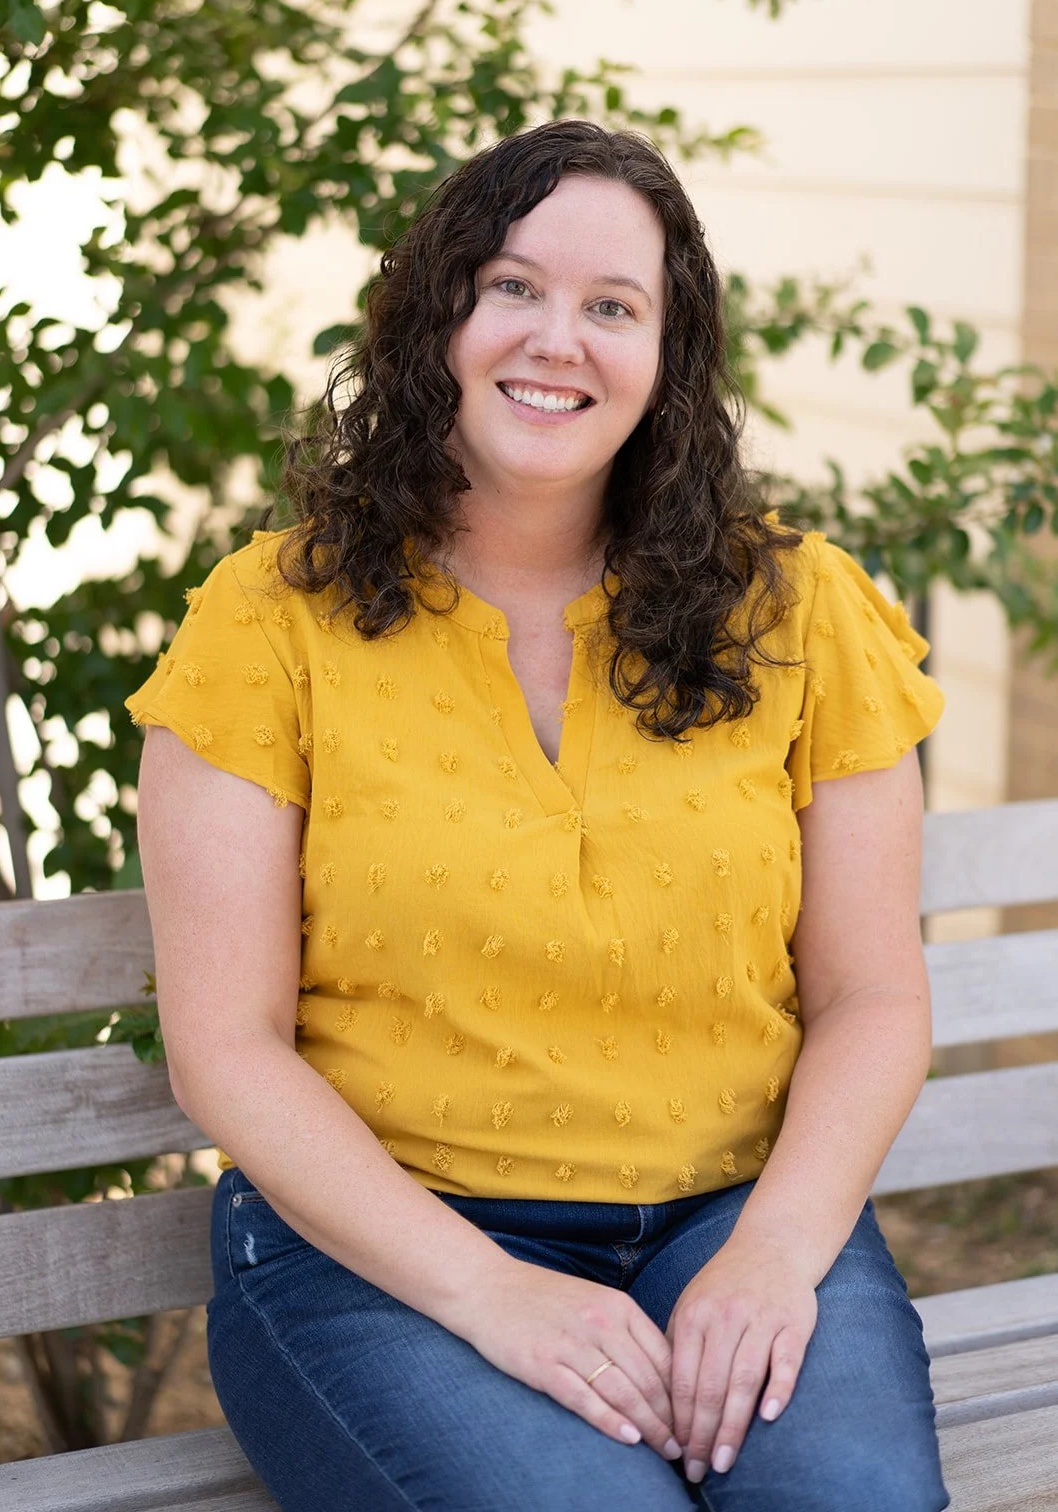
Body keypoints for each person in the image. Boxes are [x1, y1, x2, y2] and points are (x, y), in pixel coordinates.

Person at [124, 119, 950, 1511]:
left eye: (611, 307)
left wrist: (769, 1254)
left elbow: (871, 994)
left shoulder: (800, 612)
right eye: (511, 286)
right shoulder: (270, 624)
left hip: (730, 1217)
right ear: (435, 313)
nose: (556, 339)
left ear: (665, 359)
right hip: (383, 1252)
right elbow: (225, 1045)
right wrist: (495, 1298)